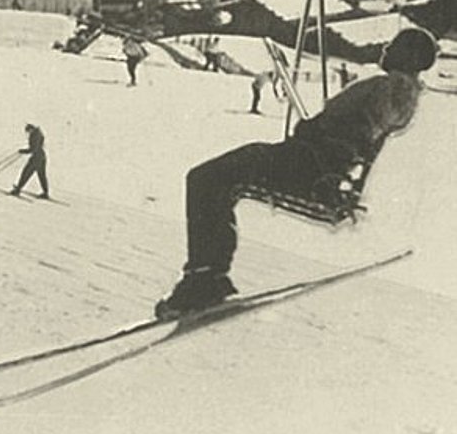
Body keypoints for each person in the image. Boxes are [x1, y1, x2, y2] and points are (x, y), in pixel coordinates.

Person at [155, 28, 438, 318]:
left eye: (393, 45)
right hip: (316, 163)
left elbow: (360, 131)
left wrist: (316, 130)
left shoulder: (389, 88)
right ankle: (208, 275)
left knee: (207, 178)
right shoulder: (404, 92)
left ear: (409, 56)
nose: (385, 48)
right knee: (222, 175)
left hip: (311, 166)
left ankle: (203, 279)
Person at [11, 123, 49, 199]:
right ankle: (45, 192)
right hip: (42, 157)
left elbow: (33, 149)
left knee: (26, 173)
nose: (28, 133)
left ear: (30, 129)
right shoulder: (38, 133)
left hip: (36, 158)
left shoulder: (34, 135)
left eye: (28, 131)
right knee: (41, 175)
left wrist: (24, 151)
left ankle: (18, 189)